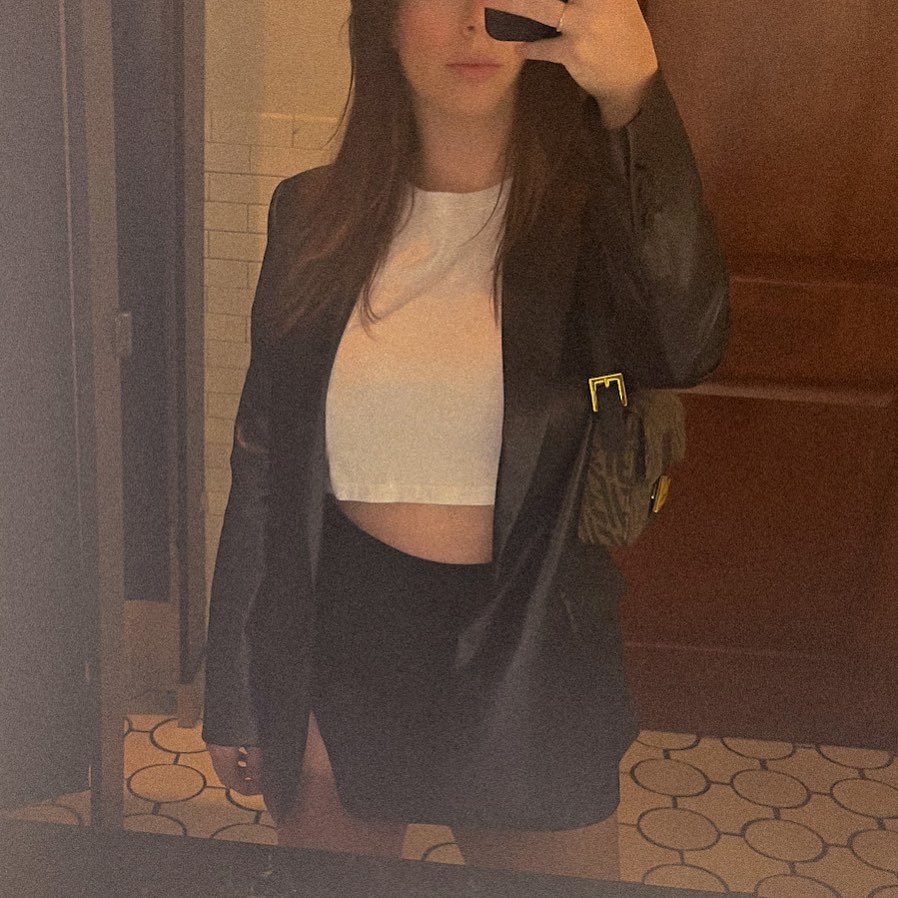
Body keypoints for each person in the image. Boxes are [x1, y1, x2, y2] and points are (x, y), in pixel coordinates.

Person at [202, 0, 730, 881]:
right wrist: (235, 687)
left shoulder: (595, 220)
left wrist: (634, 95)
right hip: (342, 638)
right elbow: (263, 460)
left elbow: (686, 344)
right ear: (383, 20)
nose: (472, 23)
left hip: (534, 637)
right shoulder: (310, 214)